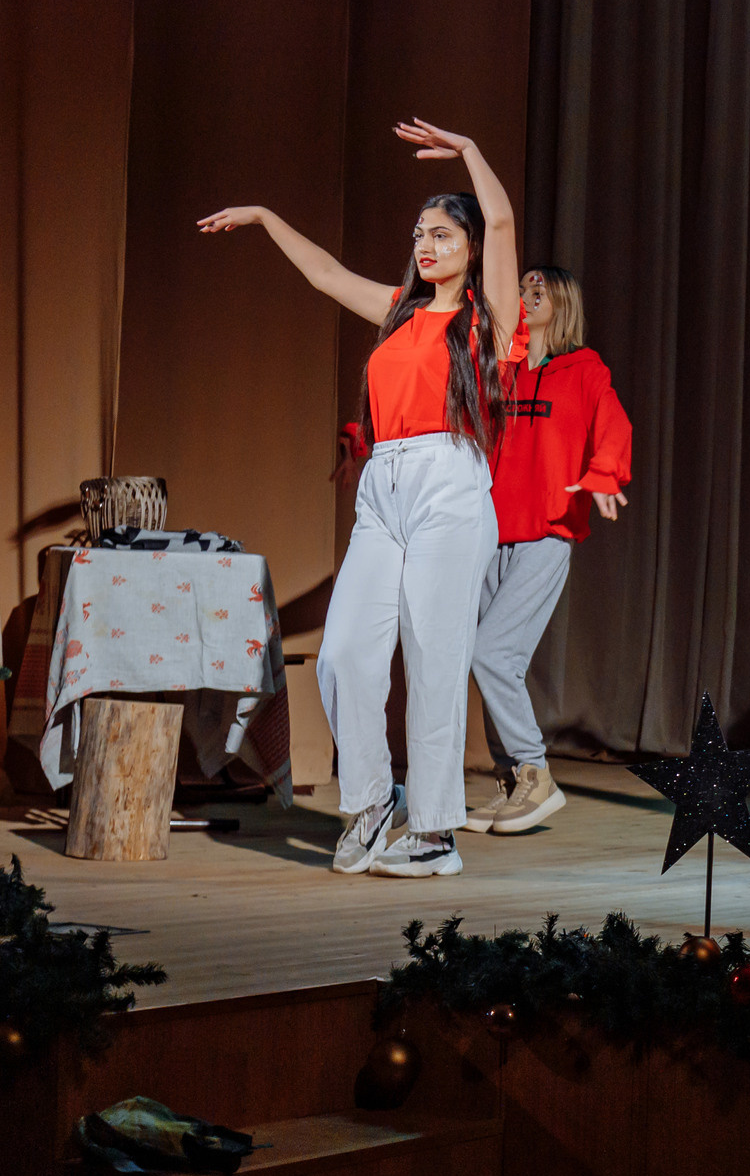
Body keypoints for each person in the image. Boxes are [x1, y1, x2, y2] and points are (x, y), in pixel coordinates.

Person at [197, 120, 522, 879]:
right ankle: (374, 801)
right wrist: (266, 217)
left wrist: (471, 152)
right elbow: (323, 274)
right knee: (343, 653)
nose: (425, 245)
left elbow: (503, 220)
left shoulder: (488, 320)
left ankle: (435, 835)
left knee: (434, 660)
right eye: (419, 234)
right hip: (384, 487)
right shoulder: (398, 310)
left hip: (450, 482)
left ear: (471, 248)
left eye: (442, 234)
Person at [464, 265, 633, 835]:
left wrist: (604, 474)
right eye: (522, 289)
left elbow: (614, 426)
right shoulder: (501, 370)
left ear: (563, 304)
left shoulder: (584, 370)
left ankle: (536, 773)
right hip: (490, 534)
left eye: (539, 290)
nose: (526, 296)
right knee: (483, 662)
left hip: (546, 534)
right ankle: (512, 780)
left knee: (493, 655)